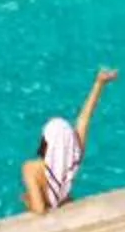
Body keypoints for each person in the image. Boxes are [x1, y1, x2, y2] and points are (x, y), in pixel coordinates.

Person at [22, 67, 119, 214]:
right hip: (66, 203)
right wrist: (99, 84)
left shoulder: (32, 169)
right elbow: (84, 119)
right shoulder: (74, 156)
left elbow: (40, 209)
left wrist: (27, 201)